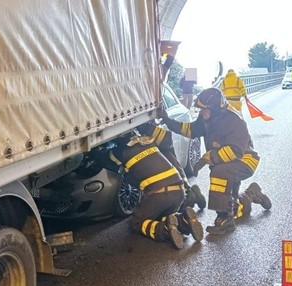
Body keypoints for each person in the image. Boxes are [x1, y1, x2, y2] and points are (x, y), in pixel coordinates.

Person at [158, 87, 271, 235]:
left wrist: (208, 158)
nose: (201, 112)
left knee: (219, 173)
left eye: (204, 110)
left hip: (245, 160)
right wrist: (167, 120)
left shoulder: (234, 120)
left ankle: (224, 219)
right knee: (233, 206)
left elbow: (235, 151)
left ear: (216, 109)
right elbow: (190, 130)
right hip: (226, 162)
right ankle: (251, 193)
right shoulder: (207, 118)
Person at [102, 133, 204, 249]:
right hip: (179, 192)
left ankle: (164, 230)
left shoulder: (119, 151)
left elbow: (107, 162)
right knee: (164, 218)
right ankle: (185, 220)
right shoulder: (148, 141)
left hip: (159, 194)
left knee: (136, 223)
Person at [136, 121, 207, 211]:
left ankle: (191, 197)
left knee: (176, 204)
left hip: (172, 175)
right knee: (177, 187)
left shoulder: (152, 137)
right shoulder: (158, 133)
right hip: (175, 170)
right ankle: (191, 193)